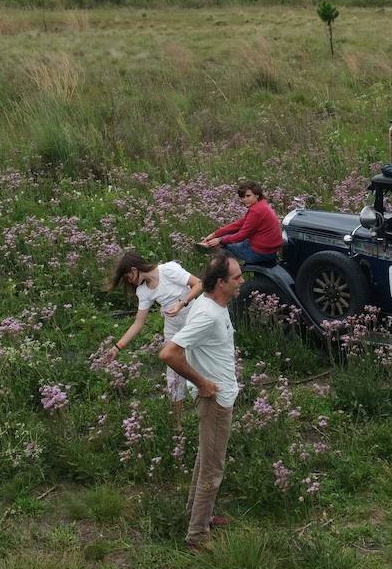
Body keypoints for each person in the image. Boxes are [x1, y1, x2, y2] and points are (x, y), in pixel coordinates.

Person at [160, 253, 243, 549]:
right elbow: (169, 353)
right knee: (212, 467)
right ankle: (197, 535)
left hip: (219, 395)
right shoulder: (207, 313)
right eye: (236, 278)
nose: (241, 281)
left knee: (204, 459)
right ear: (220, 283)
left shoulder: (210, 304)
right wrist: (203, 383)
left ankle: (197, 514)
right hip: (216, 401)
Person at [103, 251, 204, 422]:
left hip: (194, 321)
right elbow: (138, 323)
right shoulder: (144, 291)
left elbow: (199, 284)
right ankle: (177, 425)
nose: (129, 282)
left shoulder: (168, 270)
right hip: (172, 328)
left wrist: (181, 303)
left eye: (128, 277)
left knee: (199, 366)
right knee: (173, 372)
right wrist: (116, 347)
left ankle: (207, 413)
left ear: (134, 270)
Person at [197, 181, 282, 266]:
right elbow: (239, 224)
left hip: (261, 253)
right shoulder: (262, 205)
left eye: (248, 196)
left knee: (224, 245)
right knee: (228, 239)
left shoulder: (256, 211)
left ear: (257, 195)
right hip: (269, 249)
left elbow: (242, 235)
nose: (245, 199)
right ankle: (210, 245)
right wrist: (214, 234)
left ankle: (227, 272)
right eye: (242, 197)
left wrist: (219, 240)